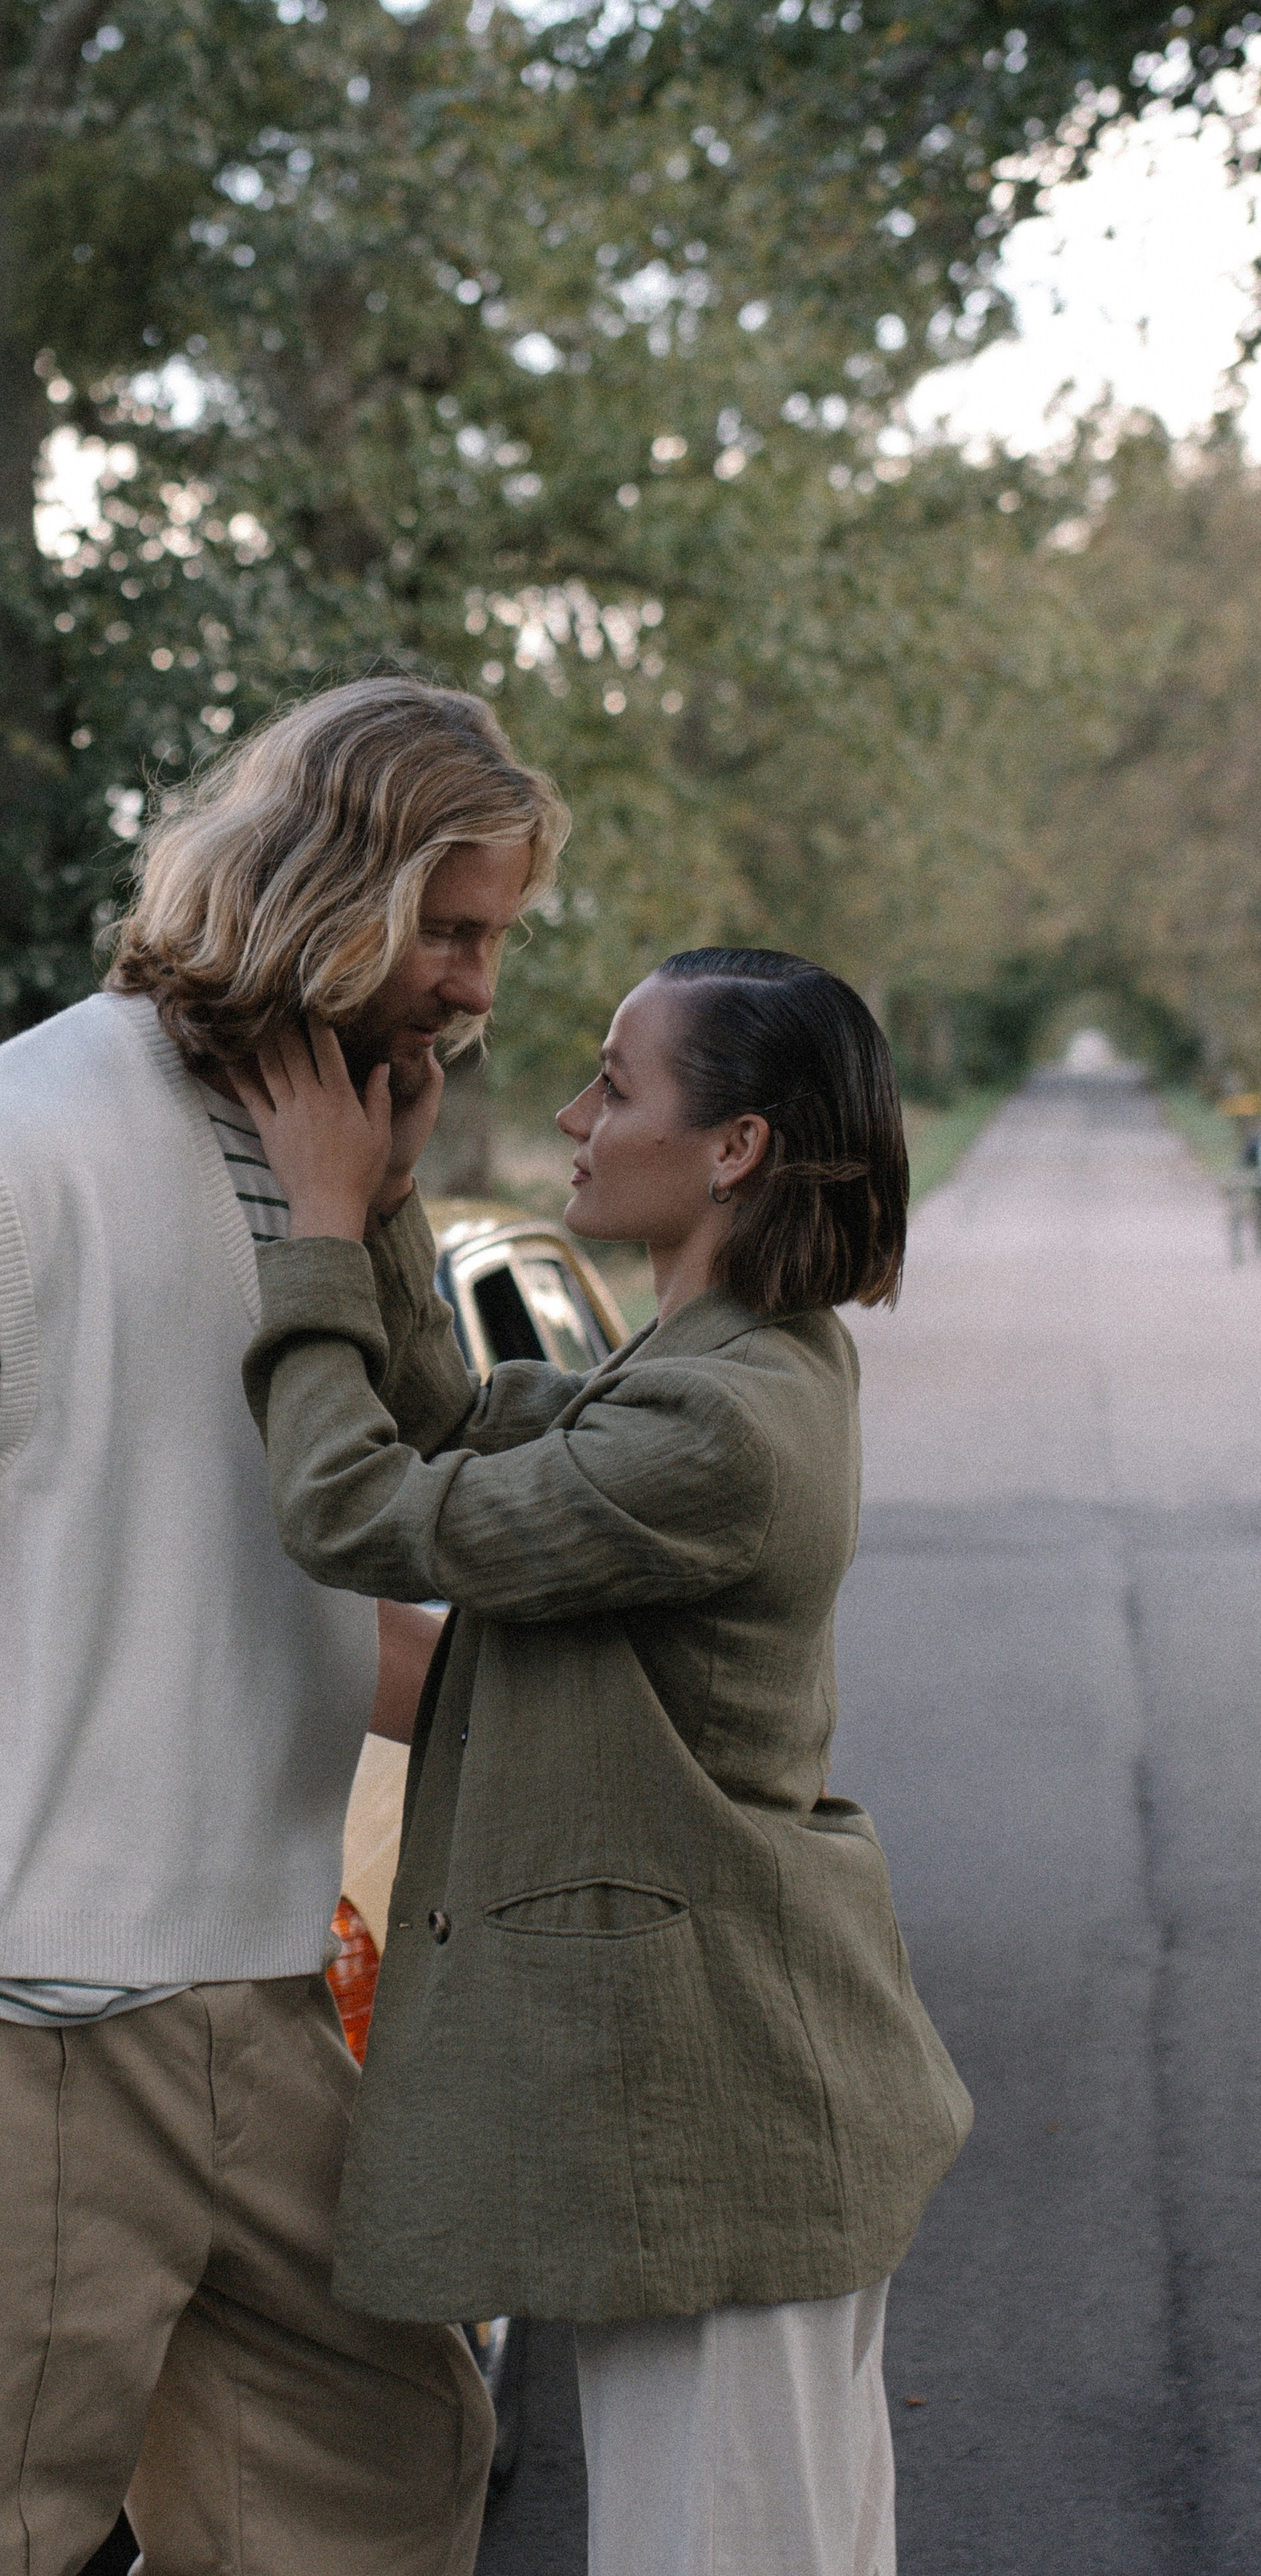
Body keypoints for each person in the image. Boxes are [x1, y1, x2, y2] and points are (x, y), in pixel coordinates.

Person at [0, 677, 568, 2576]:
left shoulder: (315, 1174)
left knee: (385, 2484)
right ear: (324, 888)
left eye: (492, 942)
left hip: (259, 1995)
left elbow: (255, 1604)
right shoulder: (9, 1155)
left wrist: (638, 1741)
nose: (472, 988)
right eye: (449, 933)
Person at [233, 947, 974, 2576]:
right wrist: (388, 1191)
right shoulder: (714, 1366)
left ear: (734, 1148)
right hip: (722, 2114)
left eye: (615, 1085)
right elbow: (453, 1413)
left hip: (729, 2128)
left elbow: (353, 1510)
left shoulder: (717, 1425)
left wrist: (307, 1228)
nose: (572, 1113)